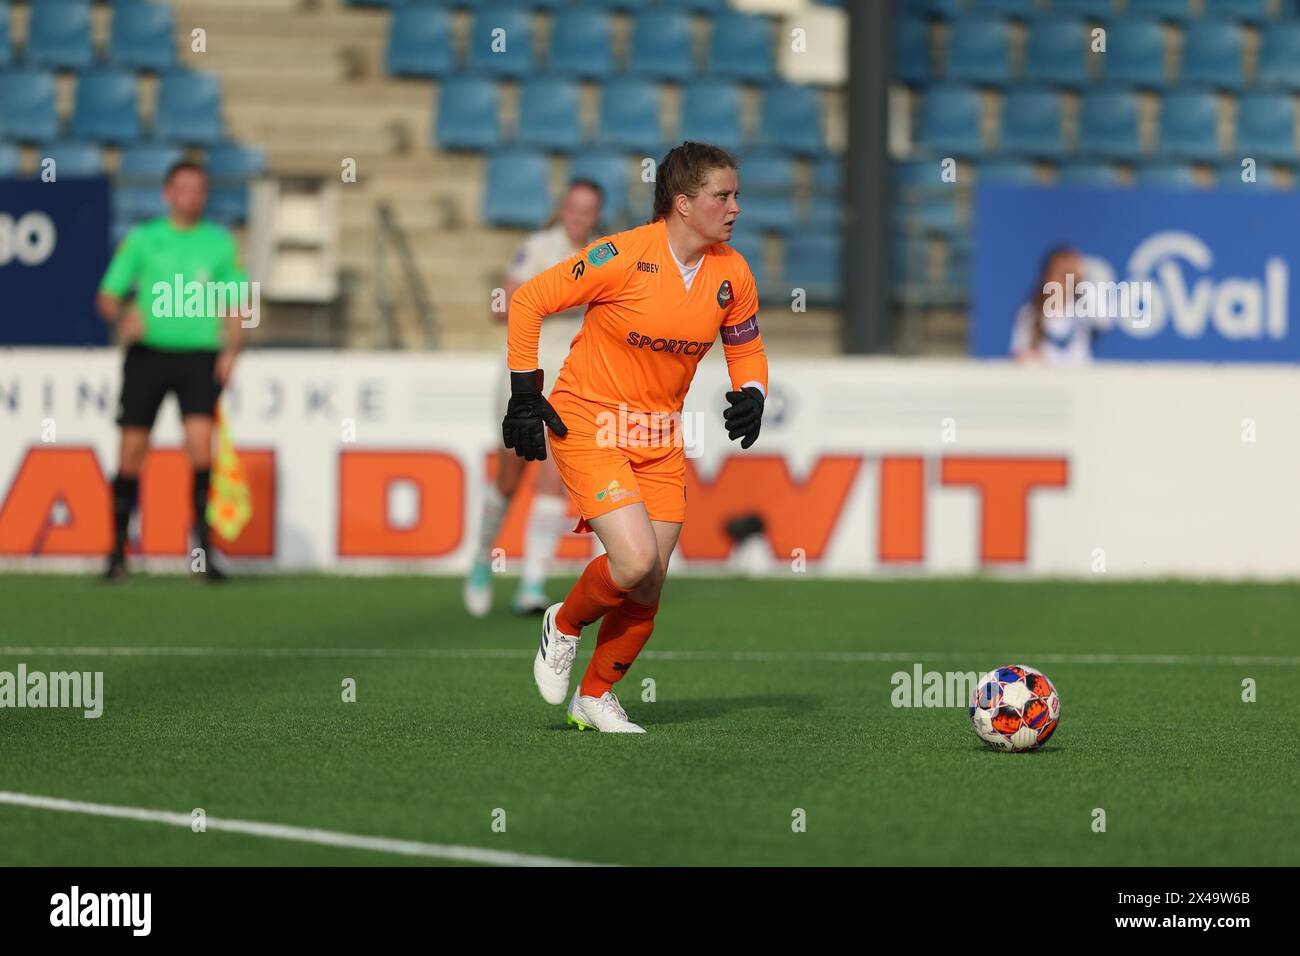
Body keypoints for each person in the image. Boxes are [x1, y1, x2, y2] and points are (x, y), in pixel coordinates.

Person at [503, 142, 768, 733]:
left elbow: (745, 344)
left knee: (650, 582)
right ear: (682, 202)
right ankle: (564, 624)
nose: (735, 208)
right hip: (588, 418)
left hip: (658, 434)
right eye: (722, 196)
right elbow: (528, 301)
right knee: (634, 558)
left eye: (736, 196)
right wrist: (525, 393)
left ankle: (594, 697)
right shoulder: (621, 255)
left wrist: (753, 392)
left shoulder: (733, 272)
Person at [97, 161, 248, 581]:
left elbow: (237, 301)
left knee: (202, 447)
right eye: (182, 188)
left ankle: (203, 555)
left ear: (205, 195)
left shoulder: (219, 243)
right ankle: (117, 553)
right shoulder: (144, 239)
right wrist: (124, 315)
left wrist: (233, 349)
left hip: (199, 356)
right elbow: (108, 296)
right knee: (131, 450)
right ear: (167, 194)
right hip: (148, 355)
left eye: (198, 189)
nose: (190, 196)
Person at [465, 180, 604, 617]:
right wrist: (555, 299)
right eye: (574, 207)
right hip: (523, 376)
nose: (579, 216)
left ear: (595, 215)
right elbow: (499, 305)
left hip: (570, 381)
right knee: (510, 478)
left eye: (588, 210)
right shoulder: (539, 247)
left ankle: (532, 584)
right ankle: (482, 559)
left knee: (554, 479)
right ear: (563, 208)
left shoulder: (602, 255)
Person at [1010, 244, 1112, 365]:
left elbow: (1105, 321)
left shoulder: (1083, 307)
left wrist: (1083, 280)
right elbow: (1019, 354)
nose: (1067, 280)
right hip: (1046, 380)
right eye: (1062, 274)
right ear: (1047, 277)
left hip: (1081, 379)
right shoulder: (1029, 314)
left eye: (1072, 275)